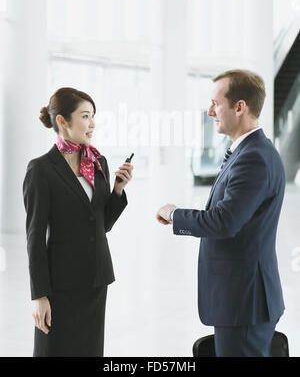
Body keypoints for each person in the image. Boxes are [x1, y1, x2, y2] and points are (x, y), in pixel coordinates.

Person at [156, 69, 285, 357]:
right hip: (243, 300)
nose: (209, 110)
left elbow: (224, 221)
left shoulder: (253, 158)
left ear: (240, 107)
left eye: (216, 102)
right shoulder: (249, 152)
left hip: (245, 303)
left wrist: (175, 214)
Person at [22, 87, 133, 357]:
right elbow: (34, 238)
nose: (92, 124)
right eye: (85, 116)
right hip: (59, 284)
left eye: (93, 116)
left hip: (96, 278)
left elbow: (102, 223)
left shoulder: (97, 162)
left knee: (90, 350)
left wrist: (117, 189)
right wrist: (39, 295)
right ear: (62, 121)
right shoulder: (41, 169)